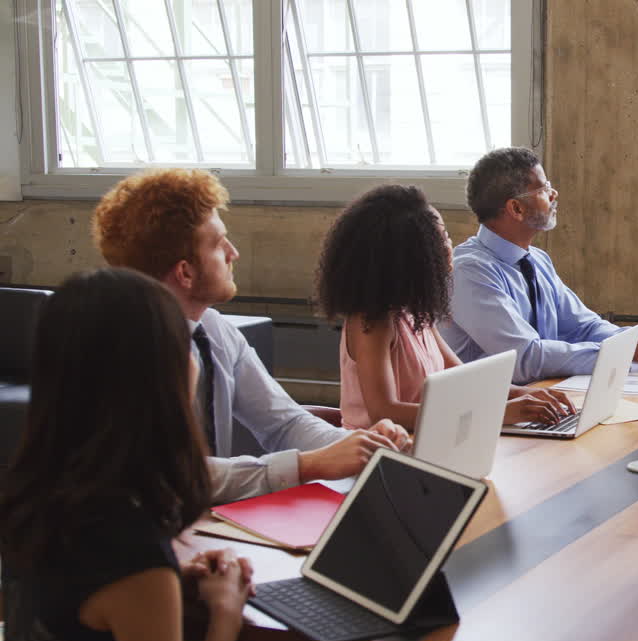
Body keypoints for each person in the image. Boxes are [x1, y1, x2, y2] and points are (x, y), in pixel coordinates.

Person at [0, 268, 388, 641]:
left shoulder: (43, 491)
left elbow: (83, 615)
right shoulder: (131, 551)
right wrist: (224, 615)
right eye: (182, 346)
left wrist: (174, 588)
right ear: (154, 378)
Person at [91, 169, 410, 503]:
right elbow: (174, 477)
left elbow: (283, 424)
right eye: (218, 244)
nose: (233, 252)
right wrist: (306, 465)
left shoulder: (214, 329)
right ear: (184, 272)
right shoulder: (129, 352)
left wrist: (363, 445)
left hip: (207, 524)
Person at [314, 184, 576, 430]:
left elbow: (463, 378)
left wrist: (525, 394)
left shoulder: (416, 313)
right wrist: (501, 412)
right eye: (440, 240)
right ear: (408, 257)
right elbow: (385, 413)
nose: (449, 247)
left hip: (428, 443)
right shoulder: (372, 323)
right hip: (380, 456)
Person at [438, 147, 638, 384]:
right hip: (489, 411)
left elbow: (583, 327)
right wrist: (623, 353)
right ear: (516, 209)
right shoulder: (469, 271)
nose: (554, 194)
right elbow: (524, 359)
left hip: (540, 398)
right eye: (544, 189)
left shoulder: (537, 260)